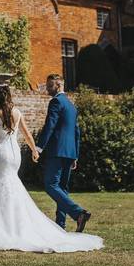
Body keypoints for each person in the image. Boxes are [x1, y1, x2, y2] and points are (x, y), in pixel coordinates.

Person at [0, 83, 103, 253]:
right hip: (14, 155)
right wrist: (34, 151)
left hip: (1, 153)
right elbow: (26, 134)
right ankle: (15, 225)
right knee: (12, 184)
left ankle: (2, 227)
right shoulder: (17, 112)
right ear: (8, 94)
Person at [36, 74, 90, 232]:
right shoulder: (71, 106)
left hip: (57, 151)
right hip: (70, 152)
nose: (47, 88)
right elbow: (76, 132)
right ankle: (60, 224)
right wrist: (75, 155)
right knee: (62, 188)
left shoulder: (56, 102)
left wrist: (39, 147)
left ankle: (78, 213)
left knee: (51, 185)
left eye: (50, 85)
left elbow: (50, 126)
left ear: (58, 86)